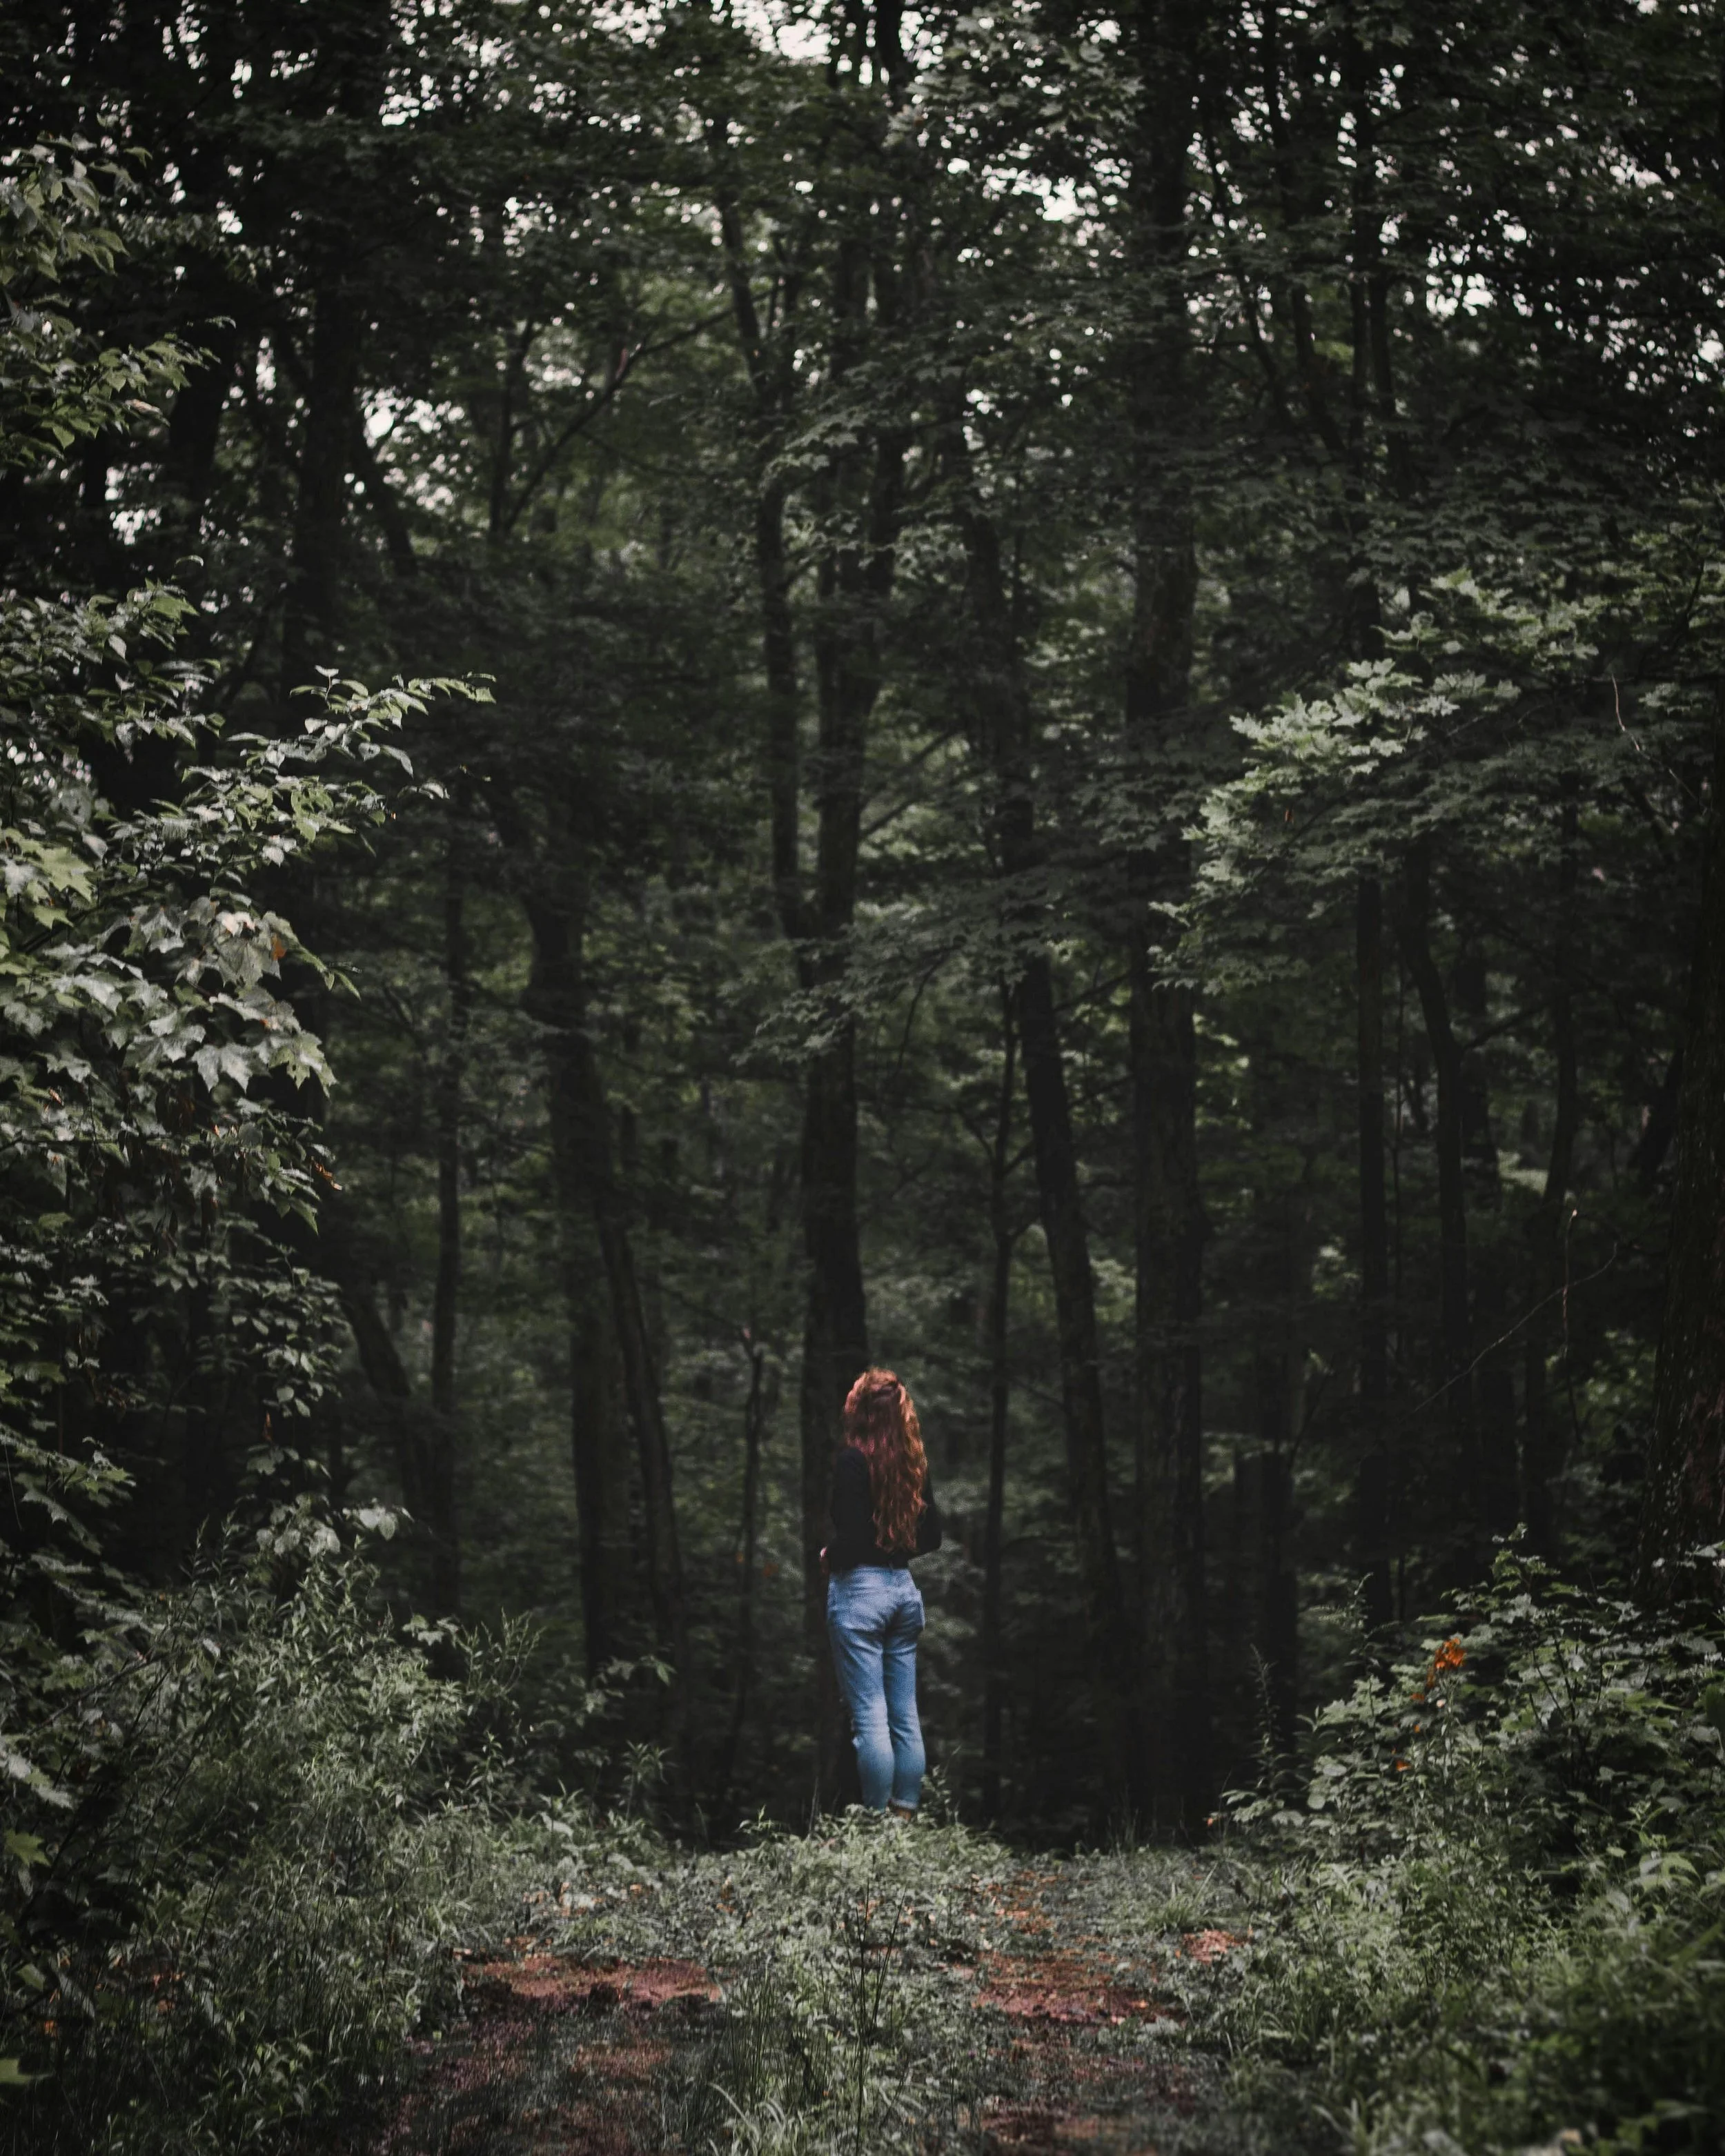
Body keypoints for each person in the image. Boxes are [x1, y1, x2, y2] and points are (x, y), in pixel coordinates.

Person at [822, 1367, 943, 1817]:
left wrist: (829, 1553)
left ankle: (875, 1824)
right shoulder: (913, 1465)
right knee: (904, 1716)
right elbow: (932, 1538)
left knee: (871, 1717)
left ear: (859, 1410)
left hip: (862, 1595)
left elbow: (852, 1541)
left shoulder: (853, 1461)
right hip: (903, 1593)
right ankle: (902, 1817)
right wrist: (895, 1544)